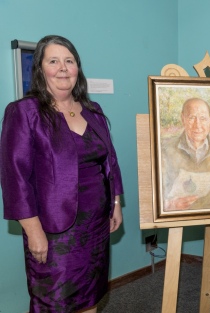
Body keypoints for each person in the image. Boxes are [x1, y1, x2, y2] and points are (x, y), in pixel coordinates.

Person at [0, 35, 124, 313]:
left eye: (69, 61)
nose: (63, 67)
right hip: (54, 229)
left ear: (78, 68)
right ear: (41, 69)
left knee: (91, 296)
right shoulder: (24, 112)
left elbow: (110, 161)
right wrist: (33, 232)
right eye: (53, 61)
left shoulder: (93, 110)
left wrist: (115, 202)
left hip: (96, 224)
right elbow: (15, 178)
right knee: (54, 302)